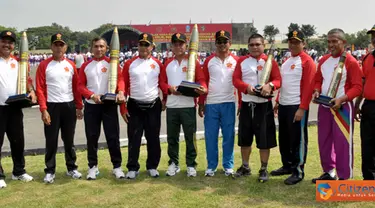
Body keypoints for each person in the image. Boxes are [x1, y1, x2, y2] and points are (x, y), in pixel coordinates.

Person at [312, 28, 362, 183]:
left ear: (343, 42)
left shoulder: (351, 61)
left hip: (342, 108)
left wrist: (342, 99)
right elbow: (318, 80)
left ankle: (344, 177)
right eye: (328, 41)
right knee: (324, 141)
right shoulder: (323, 60)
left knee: (342, 144)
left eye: (335, 41)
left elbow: (358, 87)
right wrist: (316, 91)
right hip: (324, 106)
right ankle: (329, 171)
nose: (331, 44)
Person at [36, 33, 84, 184]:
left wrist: (79, 106)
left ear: (65, 47)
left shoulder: (70, 65)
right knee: (51, 140)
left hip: (68, 105)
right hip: (52, 106)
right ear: (51, 46)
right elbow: (40, 89)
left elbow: (76, 88)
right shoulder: (44, 65)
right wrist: (43, 109)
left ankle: (72, 168)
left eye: (61, 45)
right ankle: (50, 170)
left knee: (69, 139)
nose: (58, 47)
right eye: (55, 44)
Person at [232, 33, 281, 182]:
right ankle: (245, 166)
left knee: (264, 141)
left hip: (264, 106)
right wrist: (246, 87)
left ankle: (263, 169)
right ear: (248, 46)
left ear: (263, 46)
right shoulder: (242, 61)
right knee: (245, 139)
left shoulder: (270, 61)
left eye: (257, 44)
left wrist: (270, 85)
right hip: (247, 105)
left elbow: (278, 79)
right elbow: (235, 80)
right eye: (251, 44)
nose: (254, 47)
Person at [120, 33, 169, 179]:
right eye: (141, 44)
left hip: (153, 104)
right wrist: (123, 106)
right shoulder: (130, 63)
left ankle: (152, 166)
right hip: (134, 105)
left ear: (152, 47)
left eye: (146, 44)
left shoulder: (158, 64)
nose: (143, 47)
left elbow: (163, 83)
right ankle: (132, 167)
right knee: (134, 138)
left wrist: (166, 97)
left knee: (153, 137)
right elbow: (123, 84)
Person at [272, 30, 316, 185]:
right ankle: (287, 165)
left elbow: (309, 86)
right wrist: (277, 101)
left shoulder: (307, 61)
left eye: (297, 42)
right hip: (284, 104)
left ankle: (298, 171)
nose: (293, 44)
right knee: (284, 138)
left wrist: (302, 108)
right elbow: (283, 84)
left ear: (304, 44)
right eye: (291, 41)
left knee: (298, 140)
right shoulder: (286, 61)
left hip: (297, 105)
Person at [160, 33, 207, 177]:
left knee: (189, 137)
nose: (178, 46)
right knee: (172, 138)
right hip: (173, 106)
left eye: (181, 44)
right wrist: (170, 89)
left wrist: (203, 89)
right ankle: (173, 163)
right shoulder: (167, 63)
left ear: (186, 45)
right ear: (171, 46)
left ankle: (191, 164)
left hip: (188, 106)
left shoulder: (193, 62)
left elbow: (201, 80)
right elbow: (162, 82)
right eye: (175, 44)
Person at [79, 37, 126, 180]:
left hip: (109, 106)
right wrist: (91, 95)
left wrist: (121, 91)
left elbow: (120, 80)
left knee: (113, 137)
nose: (99, 49)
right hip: (92, 107)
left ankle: (117, 167)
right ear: (91, 48)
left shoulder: (112, 64)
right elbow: (80, 86)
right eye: (96, 46)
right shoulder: (85, 66)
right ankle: (92, 167)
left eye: (102, 46)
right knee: (92, 137)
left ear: (106, 48)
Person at [198, 30, 239, 177]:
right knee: (211, 136)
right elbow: (203, 81)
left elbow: (239, 83)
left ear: (230, 43)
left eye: (225, 41)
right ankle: (211, 166)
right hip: (212, 104)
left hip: (228, 102)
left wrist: (239, 103)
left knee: (229, 135)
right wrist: (201, 103)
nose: (222, 44)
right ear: (215, 43)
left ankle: (228, 165)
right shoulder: (209, 61)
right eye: (219, 42)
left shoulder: (236, 60)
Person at [0, 30, 37, 188]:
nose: (7, 45)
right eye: (4, 41)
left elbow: (27, 80)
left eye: (10, 42)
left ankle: (19, 171)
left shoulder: (18, 63)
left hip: (14, 108)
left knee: (18, 141)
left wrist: (32, 91)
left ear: (14, 45)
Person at [354, 24, 375, 180]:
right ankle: (369, 180)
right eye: (373, 36)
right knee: (367, 144)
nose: (374, 39)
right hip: (369, 106)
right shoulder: (368, 57)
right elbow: (363, 83)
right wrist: (357, 105)